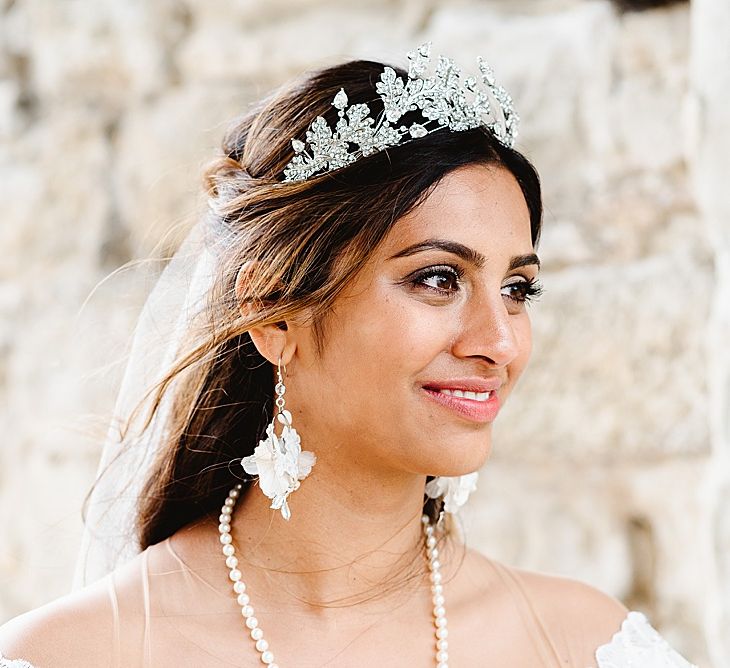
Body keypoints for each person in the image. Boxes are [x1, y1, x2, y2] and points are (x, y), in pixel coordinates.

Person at [0, 43, 697, 667]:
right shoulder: (75, 653)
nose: (499, 341)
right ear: (273, 313)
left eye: (517, 288)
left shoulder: (584, 645)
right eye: (437, 278)